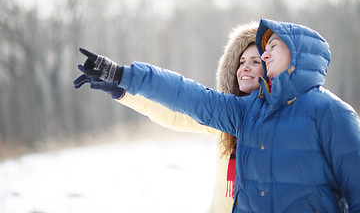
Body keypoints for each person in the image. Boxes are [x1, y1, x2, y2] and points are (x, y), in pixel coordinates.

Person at [74, 19, 360, 212]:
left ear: (296, 56)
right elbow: (181, 101)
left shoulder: (328, 113)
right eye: (241, 62)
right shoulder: (238, 114)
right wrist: (124, 82)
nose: (246, 67)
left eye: (258, 58)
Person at [74, 22, 263, 213]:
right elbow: (174, 112)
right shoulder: (225, 115)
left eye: (255, 62)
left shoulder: (280, 121)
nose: (245, 68)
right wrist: (121, 89)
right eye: (241, 62)